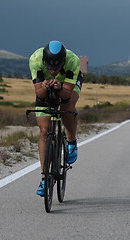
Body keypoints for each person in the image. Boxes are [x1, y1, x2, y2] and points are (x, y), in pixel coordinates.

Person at [29, 40, 89, 196]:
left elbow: (67, 94)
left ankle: (71, 141)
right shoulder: (35, 59)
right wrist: (45, 87)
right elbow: (39, 94)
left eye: (57, 66)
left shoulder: (73, 61)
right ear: (44, 61)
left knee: (67, 106)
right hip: (45, 86)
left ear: (63, 61)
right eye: (50, 66)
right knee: (43, 132)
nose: (53, 70)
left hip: (67, 86)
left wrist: (59, 87)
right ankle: (44, 179)